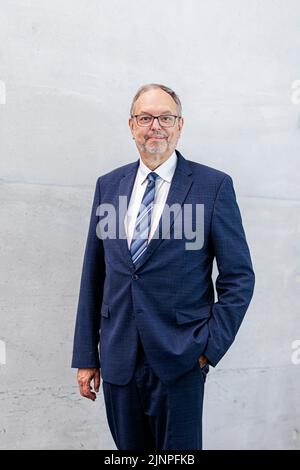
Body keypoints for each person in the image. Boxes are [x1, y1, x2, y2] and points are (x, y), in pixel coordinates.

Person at [71, 83, 255, 450]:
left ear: (180, 124)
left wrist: (208, 347)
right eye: (145, 117)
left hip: (180, 360)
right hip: (119, 358)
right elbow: (94, 275)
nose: (155, 125)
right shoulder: (109, 186)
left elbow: (238, 277)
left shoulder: (212, 186)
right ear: (131, 124)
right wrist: (86, 357)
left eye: (165, 117)